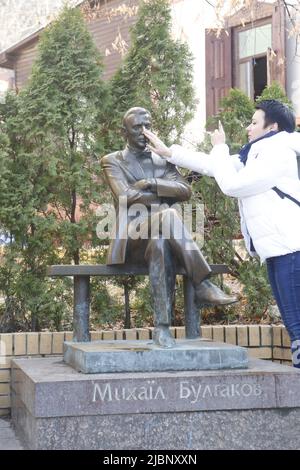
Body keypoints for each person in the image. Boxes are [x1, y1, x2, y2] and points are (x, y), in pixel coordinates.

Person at [144, 99, 300, 367]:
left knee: (296, 321)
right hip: (277, 249)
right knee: (293, 321)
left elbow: (232, 184)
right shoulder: (256, 155)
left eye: (254, 122)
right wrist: (170, 153)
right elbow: (213, 165)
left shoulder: (277, 153)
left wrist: (219, 147)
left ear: (272, 127)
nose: (248, 128)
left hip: (290, 248)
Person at [101, 107, 236, 348]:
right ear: (124, 132)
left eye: (148, 126)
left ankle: (162, 329)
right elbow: (125, 196)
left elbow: (185, 190)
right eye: (137, 128)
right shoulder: (113, 161)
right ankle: (202, 283)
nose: (144, 132)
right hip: (132, 236)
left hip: (161, 236)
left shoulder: (161, 159)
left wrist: (150, 182)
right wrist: (162, 194)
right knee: (169, 214)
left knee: (161, 242)